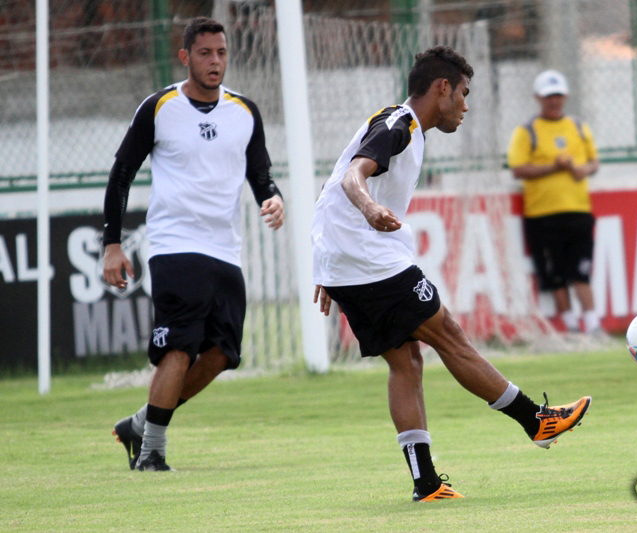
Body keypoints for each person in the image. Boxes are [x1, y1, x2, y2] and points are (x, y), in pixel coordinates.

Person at [311, 47, 591, 502]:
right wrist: (369, 208)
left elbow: (333, 182)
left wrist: (326, 264)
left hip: (348, 258)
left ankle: (426, 483)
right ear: (442, 88)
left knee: (406, 361)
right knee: (448, 334)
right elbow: (352, 179)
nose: (465, 104)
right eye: (462, 93)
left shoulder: (398, 124)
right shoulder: (398, 126)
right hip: (367, 254)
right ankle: (535, 420)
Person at [103, 17, 284, 471]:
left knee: (223, 352)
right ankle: (152, 453)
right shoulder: (160, 106)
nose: (215, 62)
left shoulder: (244, 111)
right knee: (179, 347)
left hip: (225, 249)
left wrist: (272, 198)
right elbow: (121, 173)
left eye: (221, 53)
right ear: (186, 57)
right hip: (174, 245)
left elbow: (259, 173)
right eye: (205, 53)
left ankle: (142, 423)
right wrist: (112, 244)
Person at [506, 69, 603, 334]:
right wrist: (554, 167)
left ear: (565, 96)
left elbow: (594, 161)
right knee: (555, 273)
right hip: (542, 213)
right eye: (549, 96)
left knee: (581, 269)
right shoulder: (527, 131)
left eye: (558, 95)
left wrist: (583, 169)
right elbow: (517, 168)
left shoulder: (579, 127)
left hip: (578, 209)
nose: (554, 101)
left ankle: (593, 323)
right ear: (539, 98)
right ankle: (571, 325)